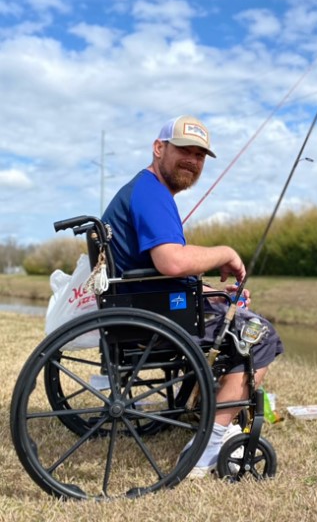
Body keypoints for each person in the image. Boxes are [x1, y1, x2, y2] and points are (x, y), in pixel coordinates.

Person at [102, 115, 284, 477]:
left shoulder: (146, 190)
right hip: (155, 315)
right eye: (185, 150)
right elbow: (171, 262)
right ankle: (210, 442)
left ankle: (215, 408)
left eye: (200, 155)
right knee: (260, 336)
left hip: (146, 302)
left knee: (237, 312)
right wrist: (227, 253)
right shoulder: (152, 194)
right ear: (159, 148)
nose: (193, 161)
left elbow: (158, 270)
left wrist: (214, 291)